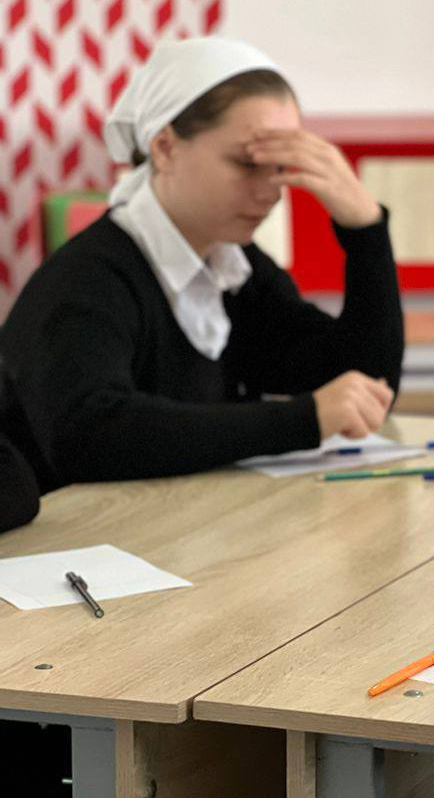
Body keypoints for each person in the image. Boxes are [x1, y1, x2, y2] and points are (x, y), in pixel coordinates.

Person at [0, 37, 405, 491]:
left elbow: (364, 384)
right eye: (247, 163)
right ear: (165, 147)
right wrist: (299, 421)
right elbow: (91, 437)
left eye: (279, 167)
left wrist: (366, 230)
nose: (271, 192)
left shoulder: (233, 267)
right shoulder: (88, 278)